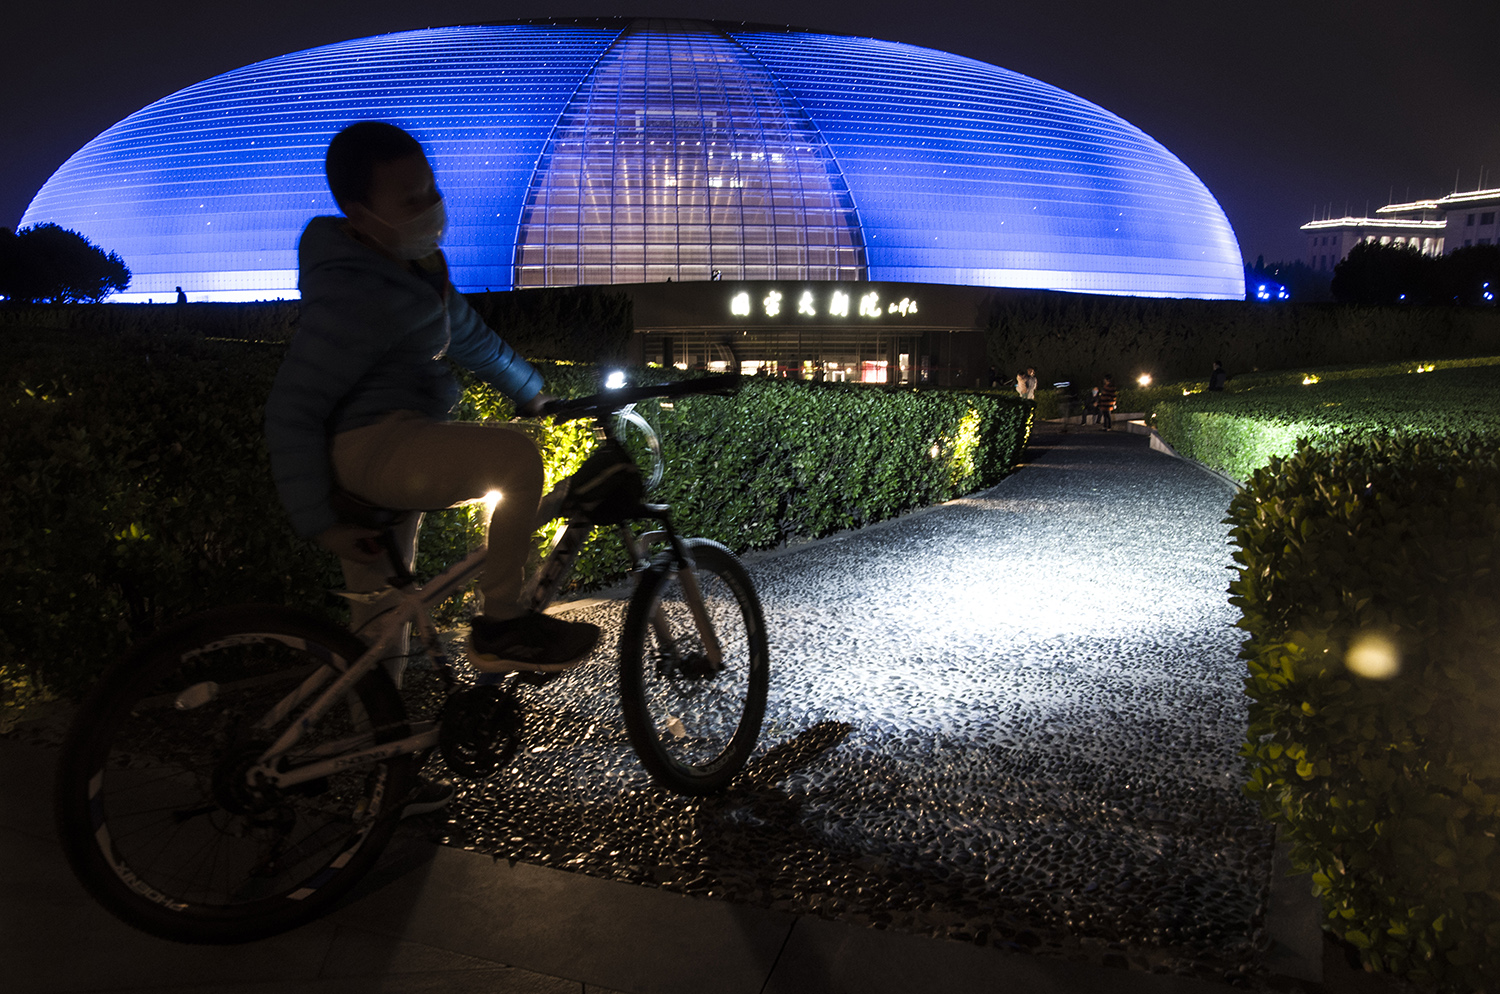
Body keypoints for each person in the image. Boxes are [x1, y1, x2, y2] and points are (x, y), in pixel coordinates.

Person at [265, 121, 601, 680]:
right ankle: (502, 623)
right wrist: (319, 523)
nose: (431, 207)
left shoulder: (415, 271)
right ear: (358, 211)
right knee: (517, 462)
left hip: (398, 442)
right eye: (411, 199)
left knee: (382, 630)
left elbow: (471, 339)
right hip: (374, 448)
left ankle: (377, 753)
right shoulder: (355, 290)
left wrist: (535, 394)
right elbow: (293, 406)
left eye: (432, 190)